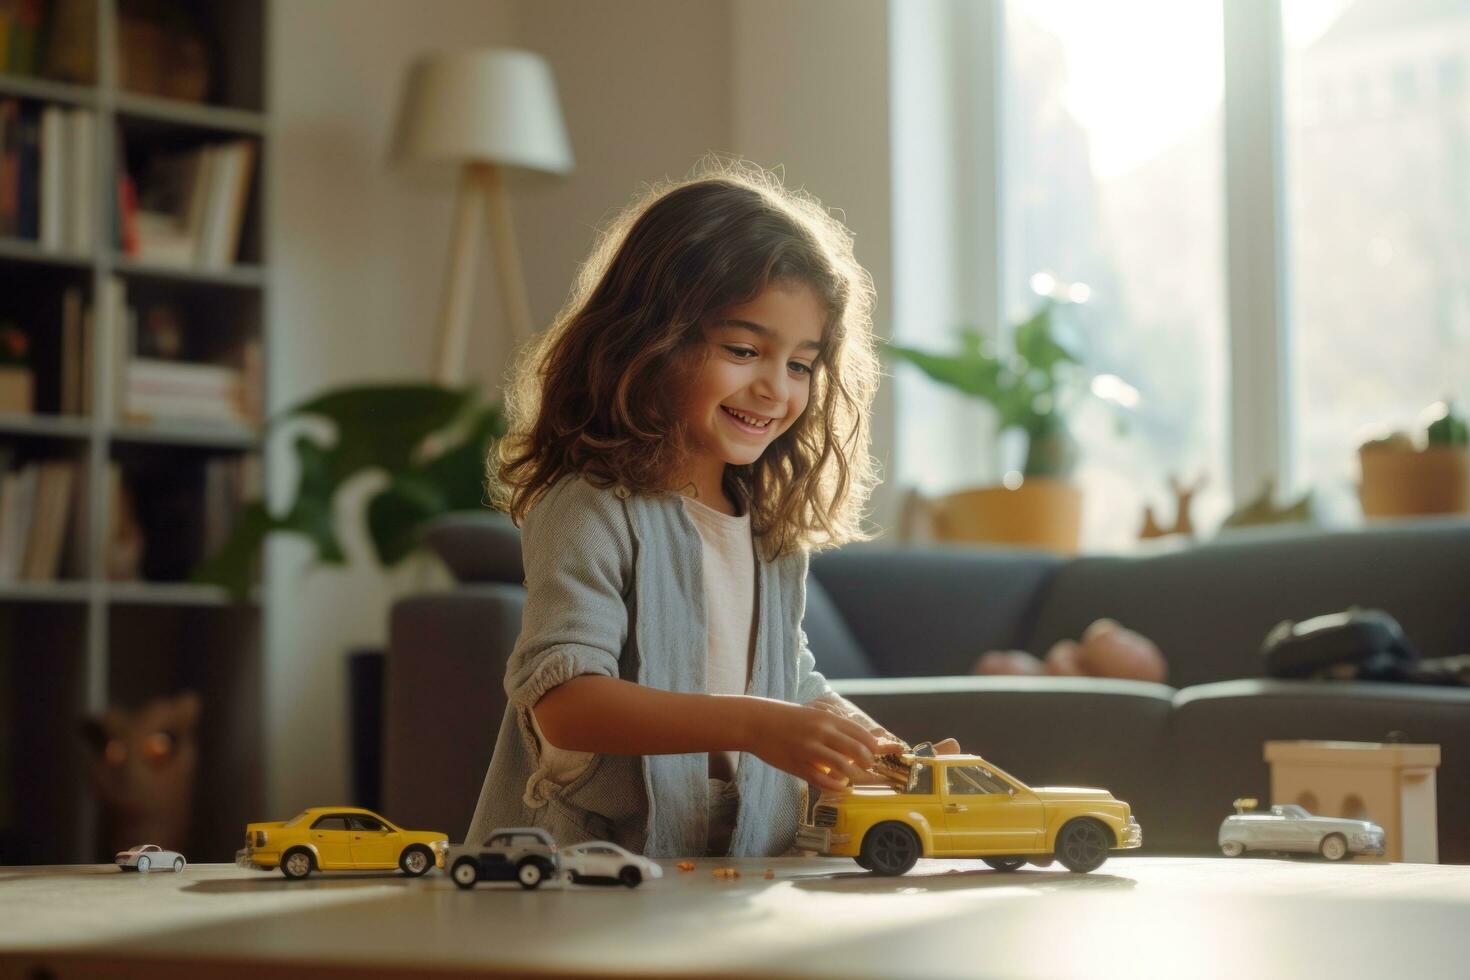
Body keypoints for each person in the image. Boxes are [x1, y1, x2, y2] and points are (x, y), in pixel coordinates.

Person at [467, 156, 960, 859]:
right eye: (743, 349)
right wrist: (756, 724)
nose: (775, 389)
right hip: (580, 878)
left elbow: (789, 682)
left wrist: (880, 753)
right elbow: (566, 702)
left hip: (731, 870)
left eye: (799, 365)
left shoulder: (768, 523)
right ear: (648, 337)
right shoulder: (589, 508)